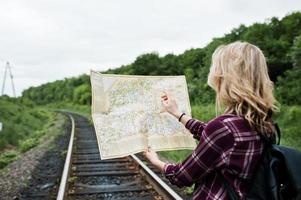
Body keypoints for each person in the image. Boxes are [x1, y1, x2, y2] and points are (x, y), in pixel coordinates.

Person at [144, 41, 278, 200]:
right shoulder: (263, 122)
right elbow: (213, 135)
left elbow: (181, 175)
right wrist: (178, 114)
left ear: (225, 78)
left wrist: (156, 161)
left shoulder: (223, 128)